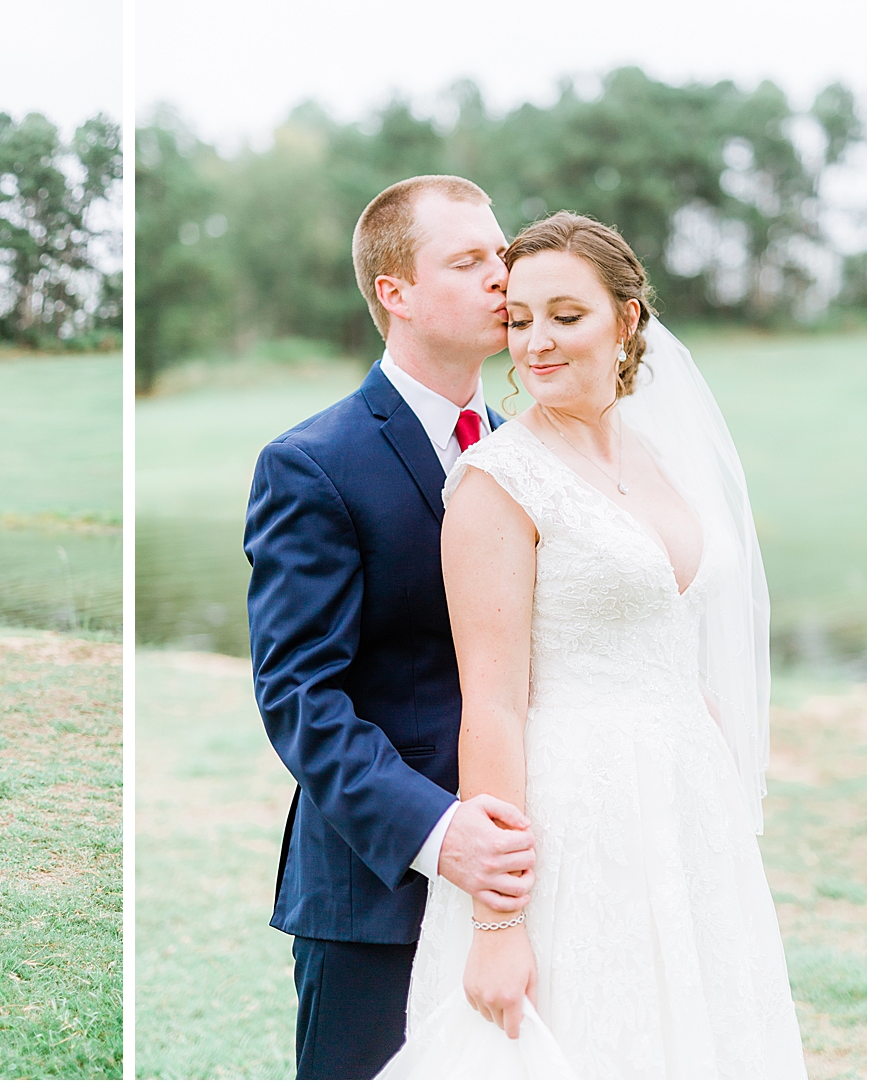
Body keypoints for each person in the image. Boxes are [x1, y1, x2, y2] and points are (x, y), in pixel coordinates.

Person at [379, 213, 805, 1078]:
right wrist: (499, 925)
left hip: (686, 814)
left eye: (565, 315)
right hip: (576, 818)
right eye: (520, 318)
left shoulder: (663, 456)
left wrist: (717, 790)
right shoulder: (498, 479)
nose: (535, 342)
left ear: (627, 321)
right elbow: (492, 703)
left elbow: (673, 639)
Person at [244, 175, 538, 1080]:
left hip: (521, 879)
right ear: (396, 293)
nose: (504, 276)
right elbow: (300, 697)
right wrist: (438, 833)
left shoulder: (527, 451)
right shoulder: (313, 464)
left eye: (502, 254)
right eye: (469, 260)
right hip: (377, 895)